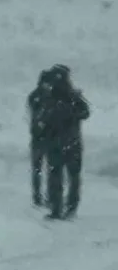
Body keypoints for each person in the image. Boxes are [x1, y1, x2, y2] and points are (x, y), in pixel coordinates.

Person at [40, 64, 90, 220]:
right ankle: (68, 207)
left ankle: (60, 208)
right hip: (68, 144)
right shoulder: (69, 97)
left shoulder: (56, 97)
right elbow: (85, 112)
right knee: (69, 177)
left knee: (59, 177)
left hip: (61, 144)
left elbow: (84, 113)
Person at [27, 68, 57, 207]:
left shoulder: (40, 96)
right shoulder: (37, 96)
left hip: (46, 137)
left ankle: (48, 196)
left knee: (48, 169)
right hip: (40, 137)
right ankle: (38, 196)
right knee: (39, 169)